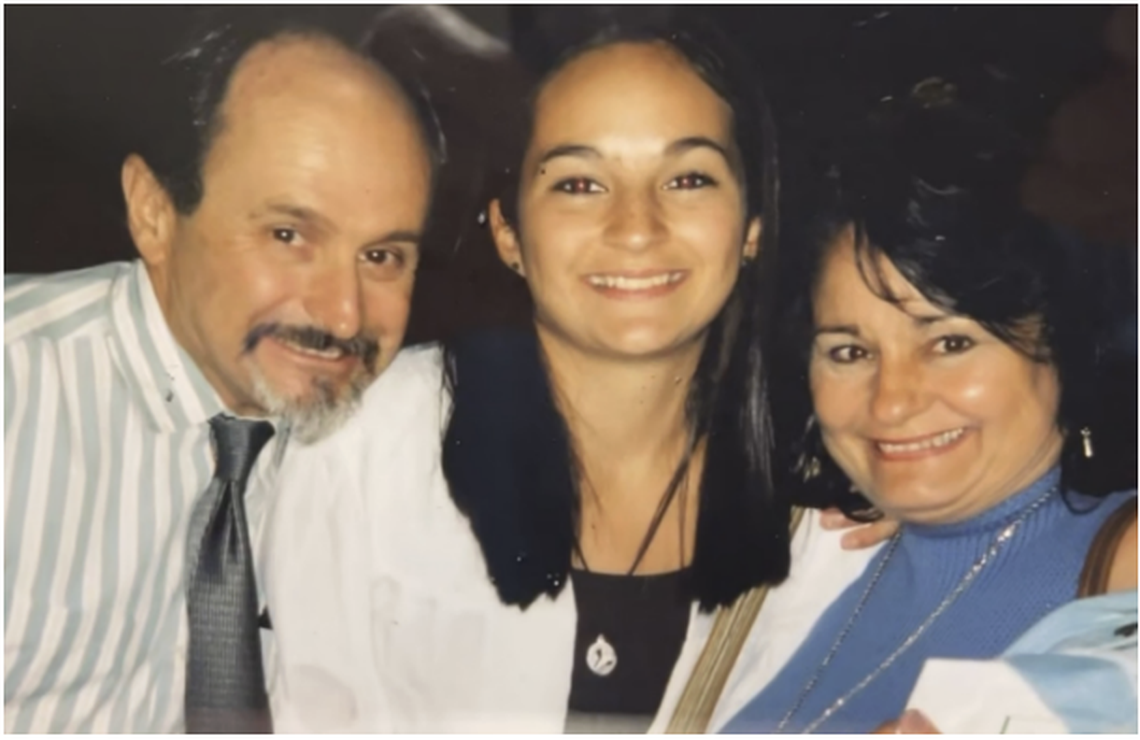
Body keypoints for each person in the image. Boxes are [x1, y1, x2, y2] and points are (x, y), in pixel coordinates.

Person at [262, 11, 893, 733]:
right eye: (579, 184)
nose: (635, 227)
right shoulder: (365, 445)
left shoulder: (831, 497)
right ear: (509, 232)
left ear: (751, 224)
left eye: (687, 178)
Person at [4, 9, 441, 732]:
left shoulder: (394, 439)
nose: (341, 315)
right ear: (152, 212)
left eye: (382, 256)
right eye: (289, 234)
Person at [720, 96, 1137, 733]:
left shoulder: (1121, 570)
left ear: (1060, 339)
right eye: (850, 351)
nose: (892, 401)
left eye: (949, 343)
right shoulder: (807, 549)